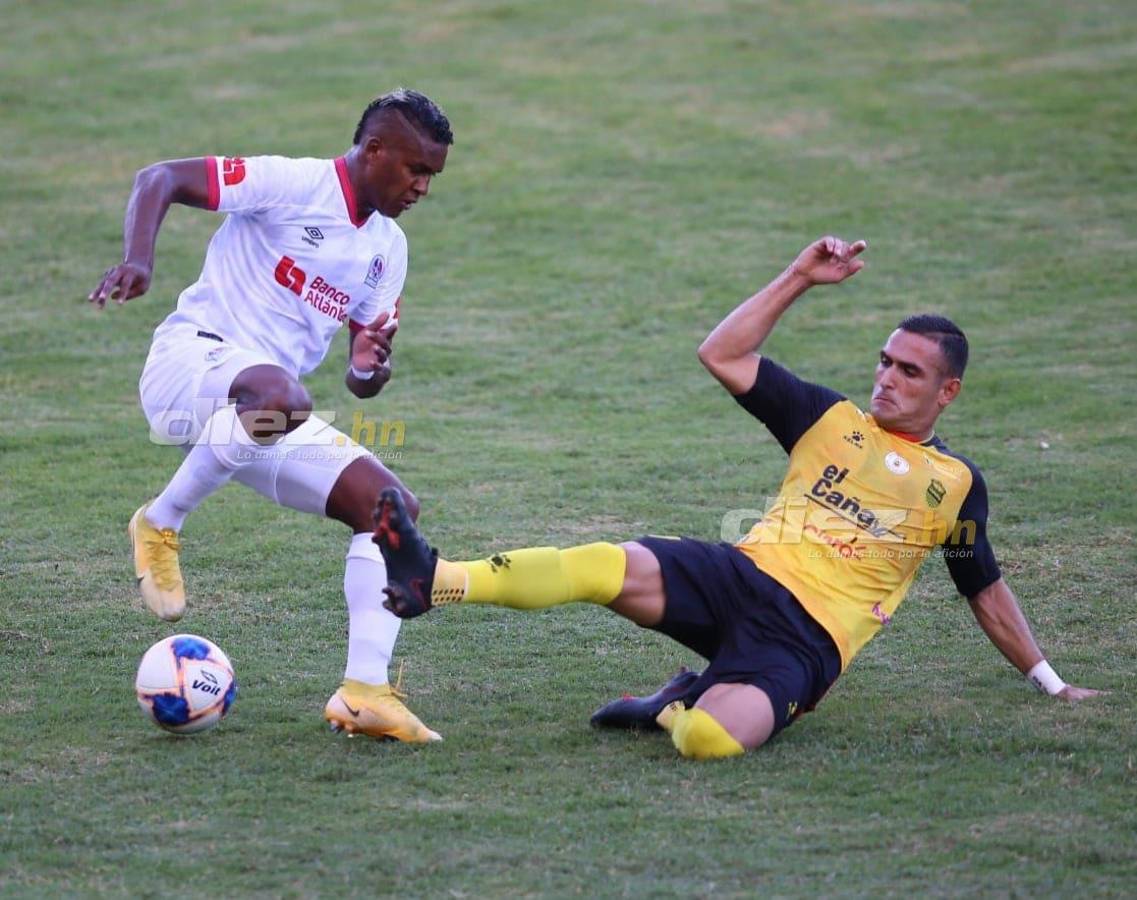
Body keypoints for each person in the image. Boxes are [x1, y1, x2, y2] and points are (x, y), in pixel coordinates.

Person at [370, 235, 1103, 760]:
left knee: (710, 742)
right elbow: (722, 353)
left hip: (805, 642)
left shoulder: (957, 487)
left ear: (947, 391)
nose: (886, 378)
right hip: (738, 578)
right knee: (602, 563)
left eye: (908, 372)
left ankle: (673, 704)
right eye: (883, 361)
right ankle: (434, 579)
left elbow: (983, 588)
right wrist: (798, 277)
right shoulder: (827, 419)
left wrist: (1049, 681)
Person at [89, 88, 453, 743]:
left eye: (432, 174)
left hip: (259, 415)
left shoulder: (386, 250)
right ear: (373, 151)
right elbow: (159, 178)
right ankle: (159, 522)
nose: (423, 186)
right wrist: (138, 260)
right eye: (414, 169)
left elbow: (360, 378)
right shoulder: (292, 184)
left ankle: (365, 694)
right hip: (188, 369)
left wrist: (371, 363)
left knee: (391, 511)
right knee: (282, 398)